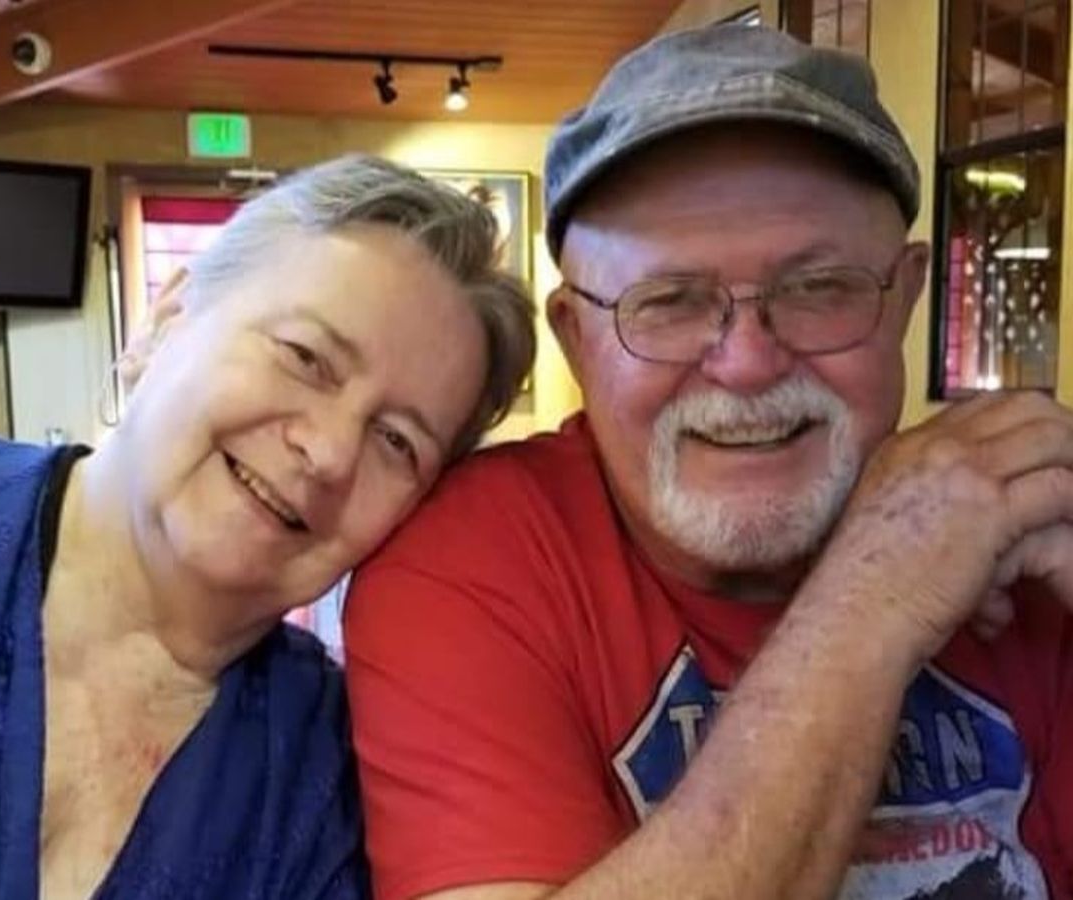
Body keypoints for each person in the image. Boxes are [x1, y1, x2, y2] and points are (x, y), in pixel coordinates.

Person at [344, 25, 1073, 900]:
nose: (748, 363)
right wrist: (877, 594)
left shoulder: (1028, 529)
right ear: (575, 339)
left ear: (907, 298)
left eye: (819, 288)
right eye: (669, 302)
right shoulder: (473, 562)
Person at [0, 154, 535, 899]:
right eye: (306, 357)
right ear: (165, 322)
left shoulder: (327, 778)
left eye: (396, 442)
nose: (328, 452)